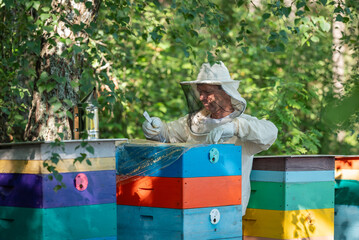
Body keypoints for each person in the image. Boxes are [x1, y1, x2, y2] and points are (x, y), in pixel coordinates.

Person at [142, 61, 278, 216]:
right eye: (200, 92)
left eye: (207, 92)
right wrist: (156, 128)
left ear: (225, 92)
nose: (201, 97)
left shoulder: (244, 123)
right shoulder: (195, 122)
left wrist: (236, 127)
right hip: (193, 205)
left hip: (228, 208)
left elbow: (271, 132)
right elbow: (168, 133)